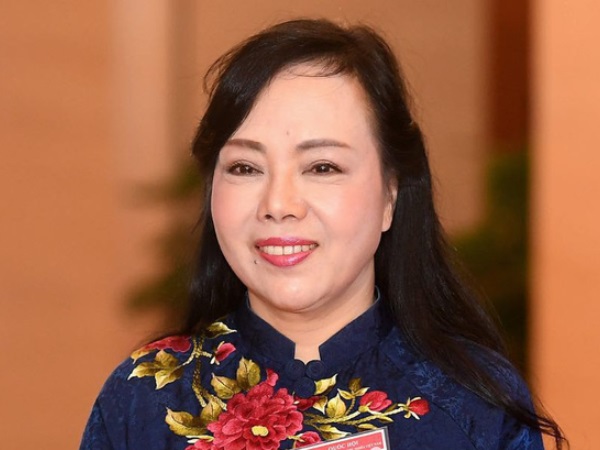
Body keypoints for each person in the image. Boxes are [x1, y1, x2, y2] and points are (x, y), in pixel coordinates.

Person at [80, 19, 565, 450]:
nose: (278, 205)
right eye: (245, 167)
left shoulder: (471, 401)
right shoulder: (144, 398)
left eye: (322, 167)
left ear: (391, 194)